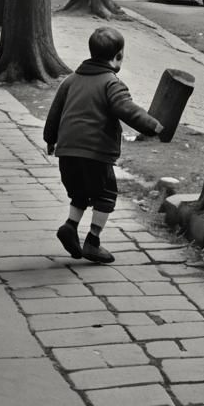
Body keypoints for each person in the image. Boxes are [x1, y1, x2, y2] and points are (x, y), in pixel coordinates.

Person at [44, 26, 162, 263]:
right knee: (105, 195)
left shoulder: (70, 81)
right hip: (95, 153)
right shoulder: (111, 83)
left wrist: (50, 139)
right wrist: (153, 126)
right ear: (118, 56)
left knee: (79, 193)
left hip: (67, 152)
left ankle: (70, 226)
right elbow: (126, 109)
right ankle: (93, 242)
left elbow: (55, 112)